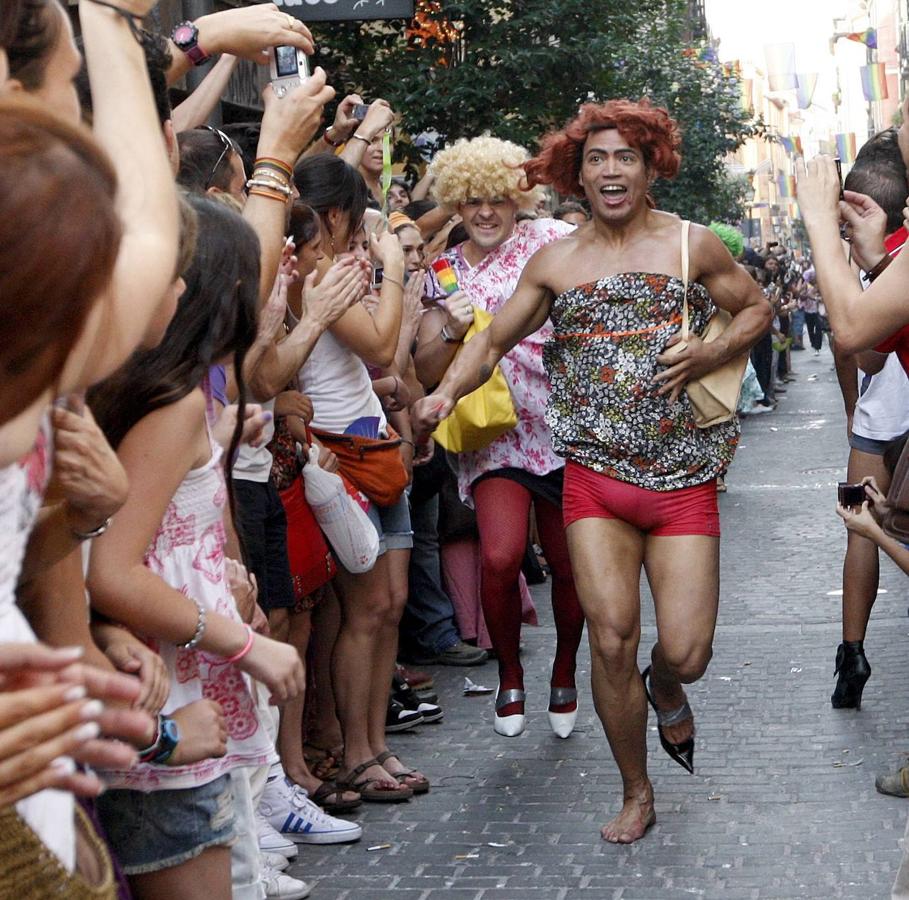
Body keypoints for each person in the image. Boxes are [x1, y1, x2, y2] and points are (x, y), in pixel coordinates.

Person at [413, 99, 770, 843]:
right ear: (577, 176)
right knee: (609, 638)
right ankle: (636, 791)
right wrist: (443, 391)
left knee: (686, 650)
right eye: (596, 159)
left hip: (680, 481)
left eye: (624, 158)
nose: (610, 171)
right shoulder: (557, 260)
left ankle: (666, 687)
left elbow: (754, 310)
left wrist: (709, 351)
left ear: (649, 168)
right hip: (594, 481)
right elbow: (488, 341)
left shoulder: (690, 246)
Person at [413, 135, 586, 740]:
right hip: (497, 440)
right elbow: (427, 366)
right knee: (499, 556)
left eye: (497, 199)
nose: (485, 212)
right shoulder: (441, 272)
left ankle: (564, 669)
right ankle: (511, 672)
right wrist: (446, 332)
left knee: (570, 568)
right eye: (471, 202)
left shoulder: (551, 243)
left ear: (520, 199)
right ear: (456, 206)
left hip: (565, 432)